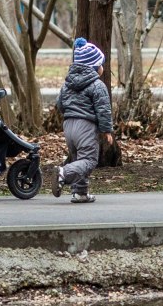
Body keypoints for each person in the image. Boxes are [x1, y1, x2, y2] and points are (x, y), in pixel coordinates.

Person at [49, 37, 114, 203]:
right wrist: (107, 129)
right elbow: (103, 109)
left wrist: (69, 115)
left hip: (69, 125)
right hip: (85, 125)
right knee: (89, 160)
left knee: (80, 158)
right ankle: (64, 173)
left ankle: (80, 192)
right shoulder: (97, 85)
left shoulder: (67, 84)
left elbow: (60, 104)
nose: (102, 68)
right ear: (93, 66)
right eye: (100, 64)